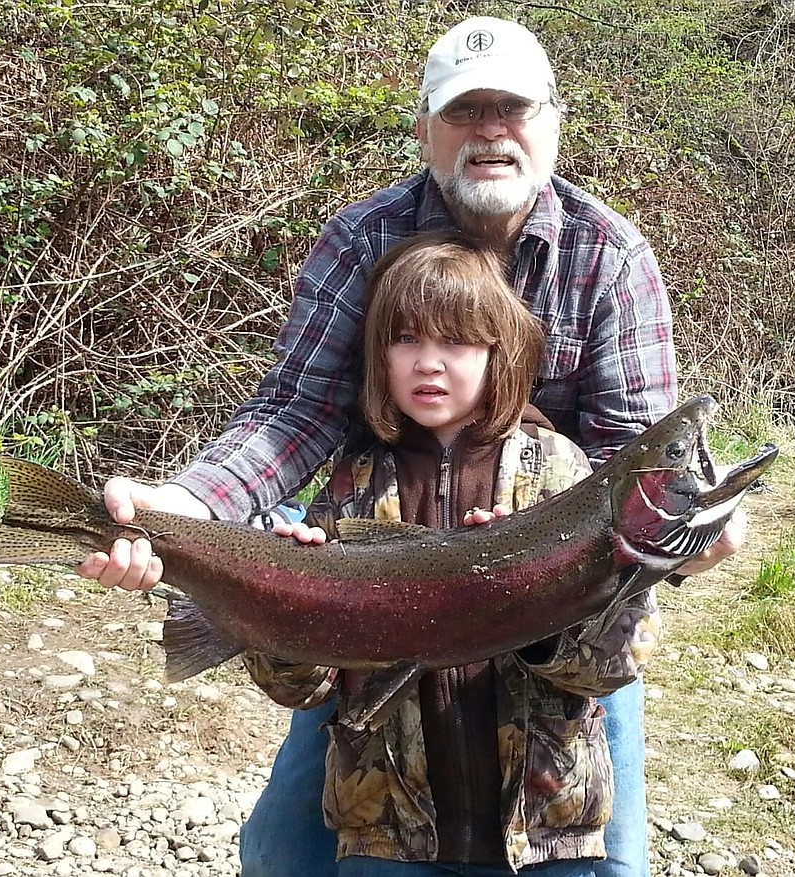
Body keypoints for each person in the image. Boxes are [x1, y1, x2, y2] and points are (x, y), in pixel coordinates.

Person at [77, 14, 746, 877]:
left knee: (604, 858)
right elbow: (294, 413)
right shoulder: (363, 237)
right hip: (371, 580)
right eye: (466, 113)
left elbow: (637, 460)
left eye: (513, 109)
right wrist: (190, 508)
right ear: (426, 131)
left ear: (552, 122)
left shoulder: (609, 253)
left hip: (554, 619)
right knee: (284, 855)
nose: (491, 131)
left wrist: (688, 541)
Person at [241, 230, 659, 875]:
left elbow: (617, 661)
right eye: (405, 340)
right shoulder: (351, 483)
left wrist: (539, 617)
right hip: (387, 833)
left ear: (501, 356)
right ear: (377, 358)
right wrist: (289, 612)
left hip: (547, 827)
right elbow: (301, 689)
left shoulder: (564, 477)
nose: (427, 363)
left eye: (456, 342)